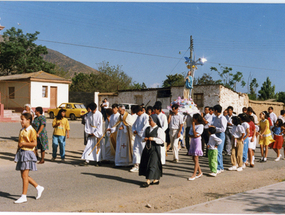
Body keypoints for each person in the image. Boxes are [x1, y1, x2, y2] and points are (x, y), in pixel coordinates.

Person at [14, 113, 44, 204]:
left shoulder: (31, 130)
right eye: (21, 119)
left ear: (28, 120)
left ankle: (24, 196)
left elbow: (34, 144)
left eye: (22, 119)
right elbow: (19, 143)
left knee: (24, 176)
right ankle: (38, 187)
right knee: (23, 175)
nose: (21, 121)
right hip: (22, 153)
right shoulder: (22, 130)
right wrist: (16, 155)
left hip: (28, 153)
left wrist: (23, 144)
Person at [139, 115, 164, 188]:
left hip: (155, 149)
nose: (149, 122)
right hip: (147, 148)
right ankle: (156, 179)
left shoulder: (159, 130)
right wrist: (145, 139)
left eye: (150, 120)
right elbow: (142, 137)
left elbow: (162, 140)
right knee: (147, 163)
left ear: (154, 121)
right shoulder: (147, 129)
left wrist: (153, 139)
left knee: (152, 163)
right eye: (149, 120)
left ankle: (148, 180)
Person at [209, 105, 227, 174]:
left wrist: (215, 128)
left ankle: (219, 167)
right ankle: (221, 167)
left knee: (218, 152)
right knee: (216, 151)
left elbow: (223, 129)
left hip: (220, 135)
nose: (213, 112)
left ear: (216, 111)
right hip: (215, 134)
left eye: (213, 110)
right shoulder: (215, 118)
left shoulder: (222, 118)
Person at [130, 105, 149, 172]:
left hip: (142, 137)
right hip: (137, 136)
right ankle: (136, 165)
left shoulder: (145, 116)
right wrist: (134, 130)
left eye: (137, 112)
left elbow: (146, 126)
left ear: (140, 111)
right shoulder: (138, 117)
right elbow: (134, 125)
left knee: (142, 151)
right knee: (135, 150)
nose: (137, 114)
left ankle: (144, 165)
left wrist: (140, 133)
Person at [187, 113, 204, 181]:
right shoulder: (192, 125)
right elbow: (190, 134)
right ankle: (200, 171)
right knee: (193, 158)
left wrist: (193, 126)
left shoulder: (201, 126)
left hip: (197, 141)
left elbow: (196, 134)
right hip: (192, 141)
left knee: (196, 157)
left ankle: (194, 174)